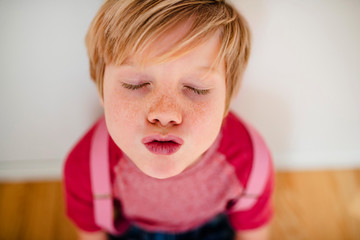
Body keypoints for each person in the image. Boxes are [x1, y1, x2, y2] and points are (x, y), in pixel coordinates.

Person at [63, 0, 274, 239]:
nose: (165, 114)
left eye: (196, 88)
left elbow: (252, 231)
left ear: (227, 99)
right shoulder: (86, 166)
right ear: (101, 90)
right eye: (137, 84)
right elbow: (91, 232)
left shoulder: (250, 161)